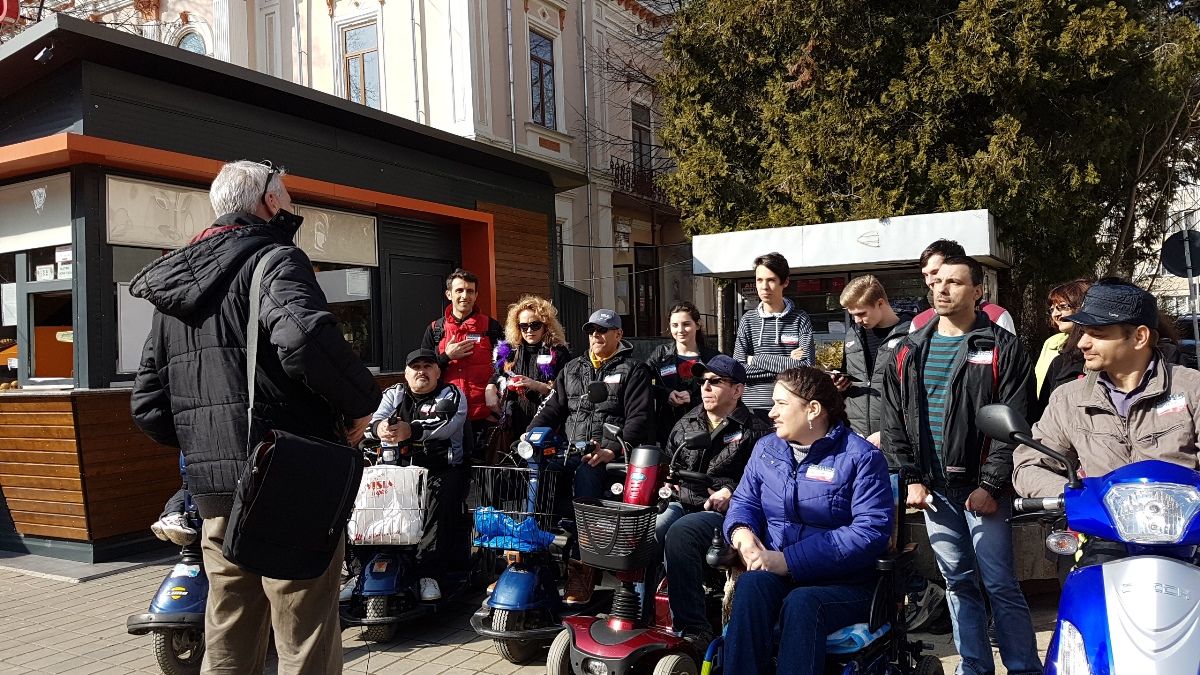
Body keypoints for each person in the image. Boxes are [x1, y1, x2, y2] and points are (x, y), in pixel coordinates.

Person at [131, 159, 380, 675]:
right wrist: (363, 403)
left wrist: (207, 445)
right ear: (268, 202)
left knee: (229, 634)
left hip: (216, 495)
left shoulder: (173, 286)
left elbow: (149, 405)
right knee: (305, 638)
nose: (291, 204)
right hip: (288, 484)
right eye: (286, 194)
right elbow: (306, 341)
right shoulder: (275, 259)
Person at [880, 255, 1040, 675]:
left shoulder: (1003, 348)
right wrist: (911, 479)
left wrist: (991, 484)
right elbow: (893, 421)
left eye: (954, 282)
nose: (942, 289)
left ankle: (1025, 668)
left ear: (978, 292)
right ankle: (974, 667)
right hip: (934, 492)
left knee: (999, 583)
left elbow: (1016, 423)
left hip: (983, 491)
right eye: (937, 282)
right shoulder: (908, 350)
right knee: (957, 582)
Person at [721, 367, 893, 675]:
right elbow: (745, 502)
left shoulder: (861, 457)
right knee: (751, 585)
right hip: (777, 572)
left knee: (803, 602)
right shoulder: (766, 449)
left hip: (845, 583)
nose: (771, 413)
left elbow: (869, 532)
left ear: (813, 409)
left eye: (781, 404)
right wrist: (742, 533)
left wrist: (788, 561)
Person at [1014, 281, 1200, 517]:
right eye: (1083, 332)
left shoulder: (1192, 389)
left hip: (1184, 531)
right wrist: (1079, 496)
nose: (1082, 343)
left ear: (1139, 337)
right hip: (1101, 533)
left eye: (1097, 334)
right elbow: (1029, 465)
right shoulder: (1068, 399)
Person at [527, 308, 654, 604]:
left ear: (618, 334)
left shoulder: (634, 370)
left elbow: (639, 419)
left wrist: (611, 449)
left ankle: (582, 566)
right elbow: (552, 408)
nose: (596, 336)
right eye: (591, 331)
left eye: (602, 330)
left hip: (608, 454)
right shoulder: (572, 368)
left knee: (587, 475)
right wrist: (529, 435)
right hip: (570, 449)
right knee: (537, 475)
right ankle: (532, 562)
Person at [659, 354, 771, 650]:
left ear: (738, 390)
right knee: (649, 528)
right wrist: (666, 480)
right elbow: (667, 462)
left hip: (725, 514)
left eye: (715, 381)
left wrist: (731, 492)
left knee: (680, 533)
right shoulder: (685, 423)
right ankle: (641, 618)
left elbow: (764, 482)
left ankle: (694, 630)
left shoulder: (756, 430)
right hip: (681, 502)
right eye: (702, 381)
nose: (706, 387)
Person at [364, 348, 470, 601]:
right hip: (397, 469)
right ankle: (363, 571)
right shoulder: (393, 393)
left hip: (440, 468)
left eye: (427, 366)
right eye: (416, 367)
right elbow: (371, 421)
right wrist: (380, 428)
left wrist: (410, 430)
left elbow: (446, 425)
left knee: (441, 498)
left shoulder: (452, 394)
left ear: (437, 372)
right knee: (366, 498)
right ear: (406, 373)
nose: (421, 371)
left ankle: (429, 574)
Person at [421, 268, 504, 462]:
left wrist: (493, 387)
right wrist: (446, 356)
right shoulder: (435, 330)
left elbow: (505, 366)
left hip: (483, 418)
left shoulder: (492, 327)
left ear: (476, 295)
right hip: (446, 417)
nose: (465, 296)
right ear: (449, 294)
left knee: (484, 474)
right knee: (451, 472)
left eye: (470, 291)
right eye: (459, 290)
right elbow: (422, 373)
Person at [835, 274, 913, 446]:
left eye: (861, 313)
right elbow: (849, 375)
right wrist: (839, 386)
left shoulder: (911, 335)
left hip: (896, 440)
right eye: (852, 314)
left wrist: (888, 431)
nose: (857, 320)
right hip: (855, 437)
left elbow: (915, 395)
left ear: (880, 303)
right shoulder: (853, 335)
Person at [733, 252, 815, 414]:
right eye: (759, 280)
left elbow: (806, 368)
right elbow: (738, 370)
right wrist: (788, 363)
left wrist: (754, 359)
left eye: (771, 280)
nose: (764, 287)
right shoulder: (747, 320)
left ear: (785, 282)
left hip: (790, 409)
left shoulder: (800, 319)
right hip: (752, 409)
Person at [484, 295, 572, 442]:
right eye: (523, 326)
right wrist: (490, 389)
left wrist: (536, 385)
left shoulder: (558, 352)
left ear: (546, 325)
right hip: (514, 424)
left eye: (535, 325)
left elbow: (566, 391)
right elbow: (498, 375)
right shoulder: (510, 351)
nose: (529, 330)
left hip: (547, 425)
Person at [646, 301, 720, 446]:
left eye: (686, 324)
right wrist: (666, 394)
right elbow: (641, 382)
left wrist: (693, 398)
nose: (680, 330)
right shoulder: (661, 354)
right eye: (675, 325)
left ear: (697, 325)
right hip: (667, 429)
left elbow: (722, 391)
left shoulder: (712, 357)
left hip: (703, 426)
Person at [909, 239, 1015, 334]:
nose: (929, 281)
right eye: (925, 275)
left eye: (936, 272)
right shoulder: (919, 323)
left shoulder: (996, 317)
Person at [1035, 279, 1091, 397]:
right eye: (1052, 309)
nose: (1055, 314)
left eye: (1062, 307)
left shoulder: (1098, 353)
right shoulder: (1054, 348)